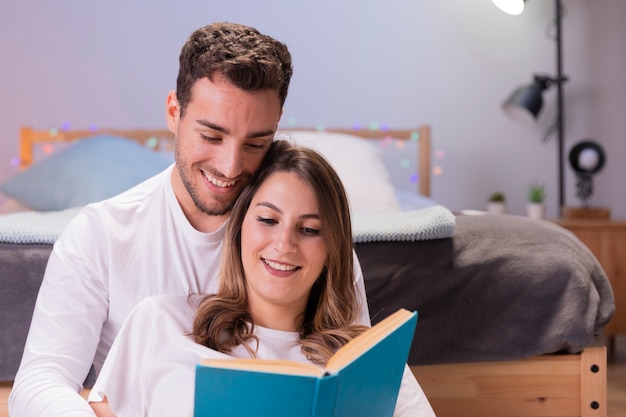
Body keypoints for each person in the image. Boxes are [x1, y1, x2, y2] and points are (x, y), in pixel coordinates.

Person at [9, 22, 370, 417]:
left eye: (254, 143)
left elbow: (355, 375)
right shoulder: (101, 236)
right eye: (212, 136)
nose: (230, 166)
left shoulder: (306, 247)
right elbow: (40, 381)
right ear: (174, 112)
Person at [87, 140, 436, 417]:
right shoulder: (161, 322)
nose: (284, 245)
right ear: (239, 229)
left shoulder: (366, 361)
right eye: (268, 220)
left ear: (332, 248)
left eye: (310, 229)